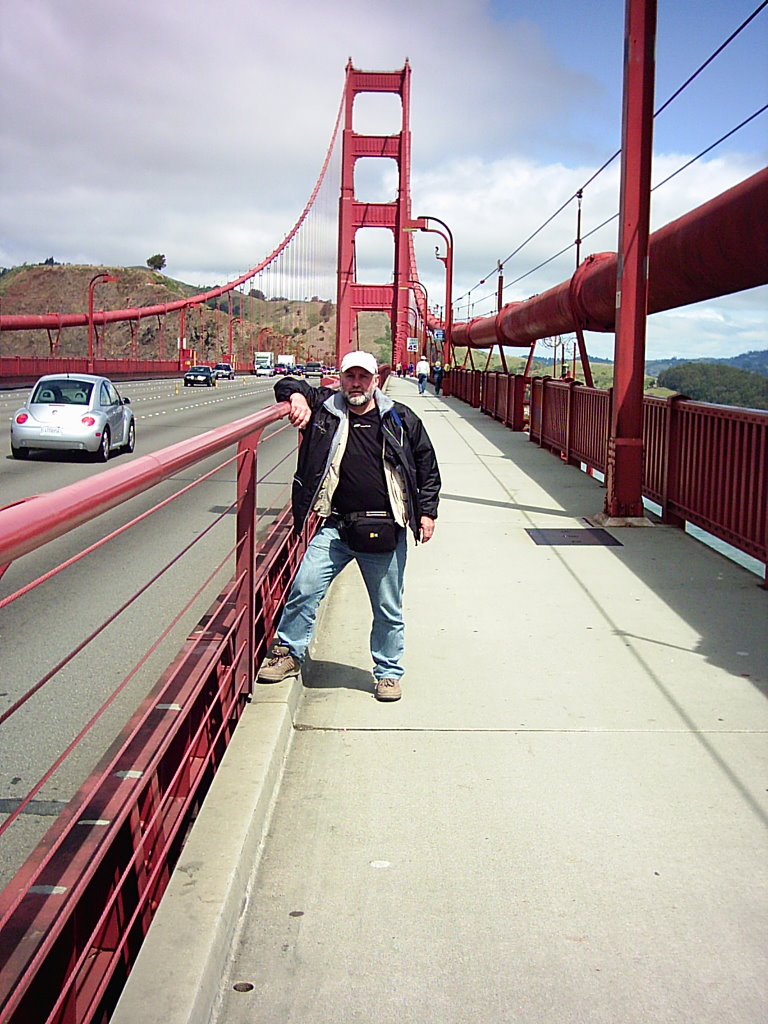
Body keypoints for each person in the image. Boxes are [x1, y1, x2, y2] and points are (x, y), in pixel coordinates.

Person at [257, 350, 441, 702]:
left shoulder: (400, 418)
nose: (356, 384)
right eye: (350, 377)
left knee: (387, 607)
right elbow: (287, 383)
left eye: (363, 377)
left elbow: (427, 466)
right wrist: (296, 396)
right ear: (340, 379)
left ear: (376, 381)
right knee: (305, 587)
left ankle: (388, 674)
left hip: (386, 529)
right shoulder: (327, 409)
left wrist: (427, 512)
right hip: (336, 527)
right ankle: (288, 652)